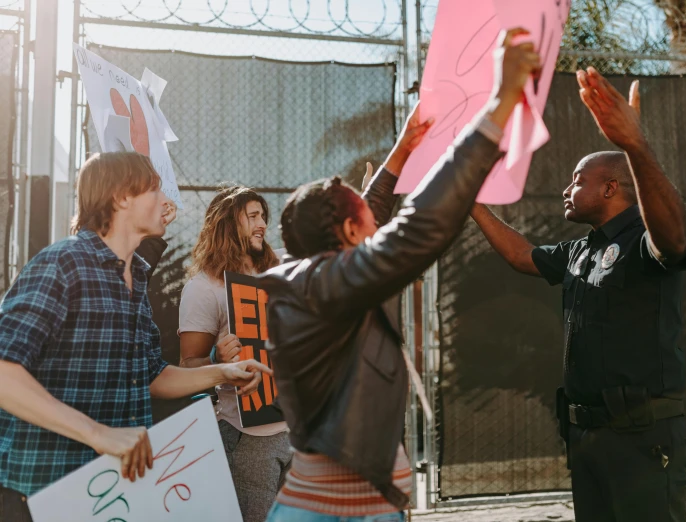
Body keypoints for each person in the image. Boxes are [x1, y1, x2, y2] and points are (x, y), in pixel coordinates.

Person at [260, 28, 541, 521]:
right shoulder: (325, 285)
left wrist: (403, 150)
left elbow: (365, 217)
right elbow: (416, 230)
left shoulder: (315, 281)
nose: (380, 225)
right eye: (372, 226)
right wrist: (497, 105)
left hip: (369, 509)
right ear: (350, 233)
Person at [470, 68, 686, 522]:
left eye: (577, 180)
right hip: (588, 437)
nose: (566, 189)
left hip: (642, 437)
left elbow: (673, 240)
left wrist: (635, 146)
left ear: (611, 188)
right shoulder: (580, 248)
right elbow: (523, 256)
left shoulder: (643, 238)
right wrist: (470, 203)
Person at [0, 152, 271, 522]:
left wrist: (223, 373)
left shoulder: (136, 278)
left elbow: (152, 377)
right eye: (156, 189)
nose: (167, 200)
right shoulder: (63, 262)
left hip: (108, 494)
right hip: (41, 493)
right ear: (122, 198)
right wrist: (99, 434)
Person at [179, 186, 289, 521]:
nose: (262, 225)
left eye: (263, 217)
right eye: (253, 216)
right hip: (247, 436)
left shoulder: (279, 269)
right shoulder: (203, 289)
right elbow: (187, 365)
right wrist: (217, 360)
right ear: (229, 222)